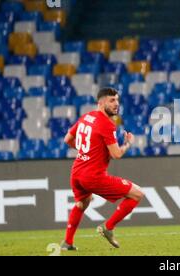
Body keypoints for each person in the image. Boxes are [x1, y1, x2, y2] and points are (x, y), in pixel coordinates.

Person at [61, 87, 145, 250]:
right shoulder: (106, 124)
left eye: (117, 100)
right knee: (137, 194)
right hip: (92, 176)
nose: (116, 104)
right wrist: (128, 143)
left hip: (77, 172)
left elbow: (67, 139)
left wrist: (86, 152)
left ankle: (67, 243)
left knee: (81, 204)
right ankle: (108, 227)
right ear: (101, 102)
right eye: (112, 100)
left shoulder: (86, 117)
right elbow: (116, 154)